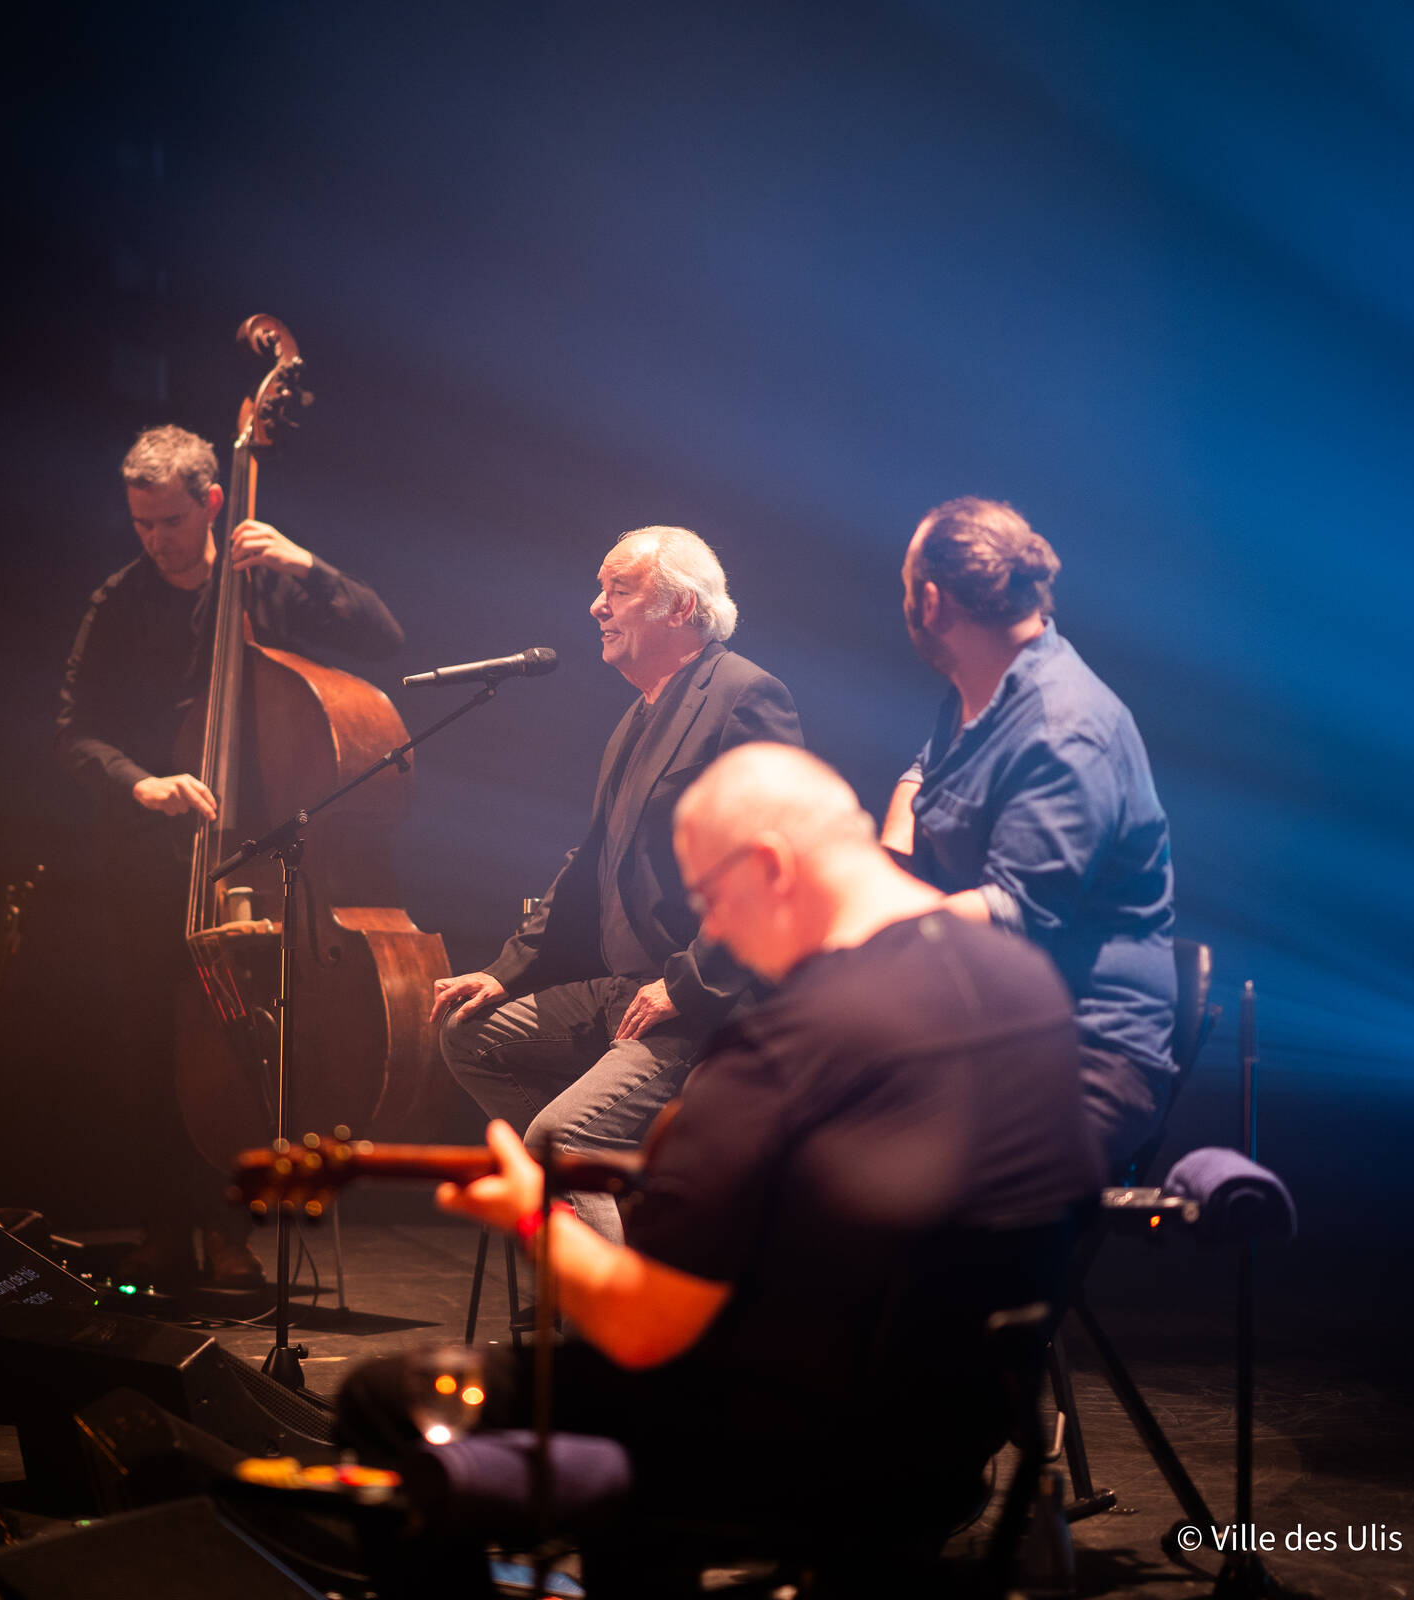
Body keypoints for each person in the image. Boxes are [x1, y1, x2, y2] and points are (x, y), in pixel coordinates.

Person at [338, 744, 1103, 1590]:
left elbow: (640, 1327)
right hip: (950, 1445)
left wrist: (530, 1212)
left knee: (384, 1401)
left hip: (789, 1455)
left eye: (708, 901)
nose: (716, 935)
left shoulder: (790, 1043)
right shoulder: (1028, 985)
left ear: (770, 865)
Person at [55, 424, 404, 1288]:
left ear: (214, 501)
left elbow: (386, 639)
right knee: (151, 1051)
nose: (155, 539)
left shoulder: (267, 585)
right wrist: (142, 782)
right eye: (141, 523)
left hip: (264, 859)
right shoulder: (119, 601)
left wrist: (307, 565)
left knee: (249, 1051)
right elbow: (74, 731)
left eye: (170, 521)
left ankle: (233, 1233)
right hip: (153, 860)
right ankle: (165, 1228)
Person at [431, 526, 800, 1243]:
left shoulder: (746, 696)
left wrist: (685, 986)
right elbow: (590, 865)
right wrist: (506, 973)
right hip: (622, 990)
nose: (596, 606)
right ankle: (605, 1204)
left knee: (559, 1140)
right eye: (602, 590)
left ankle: (605, 1297)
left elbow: (768, 865)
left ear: (681, 607)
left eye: (618, 590)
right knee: (470, 1032)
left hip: (701, 1003)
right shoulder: (638, 714)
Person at [881, 495, 1176, 1170]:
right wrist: (889, 858)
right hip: (995, 1031)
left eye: (906, 590)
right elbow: (925, 771)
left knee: (874, 1175)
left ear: (932, 603)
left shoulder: (1065, 732)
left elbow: (1015, 915)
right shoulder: (980, 685)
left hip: (1084, 1056)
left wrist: (870, 922)